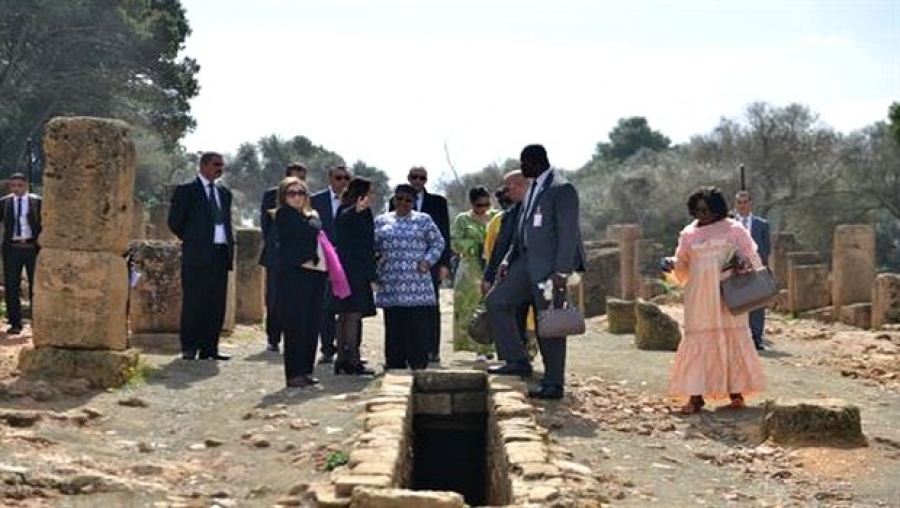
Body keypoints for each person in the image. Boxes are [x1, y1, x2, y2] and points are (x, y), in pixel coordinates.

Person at [485, 145, 585, 400]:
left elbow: (568, 233)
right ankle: (516, 360)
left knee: (550, 323)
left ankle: (553, 384)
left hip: (550, 269)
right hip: (524, 263)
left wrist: (562, 271)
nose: (522, 167)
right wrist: (508, 259)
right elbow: (523, 229)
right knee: (496, 301)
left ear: (535, 162)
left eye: (524, 163)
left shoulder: (562, 188)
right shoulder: (533, 188)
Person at [662, 186, 767, 414]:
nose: (702, 214)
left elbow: (752, 257)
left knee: (732, 337)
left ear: (717, 209)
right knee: (699, 338)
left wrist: (742, 263)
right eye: (698, 210)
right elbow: (682, 265)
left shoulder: (734, 229)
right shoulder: (688, 234)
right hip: (699, 296)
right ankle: (695, 396)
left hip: (730, 293)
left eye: (706, 210)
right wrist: (671, 264)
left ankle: (736, 392)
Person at [168, 152, 235, 361]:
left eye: (222, 165)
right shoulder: (187, 190)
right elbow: (175, 222)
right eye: (216, 164)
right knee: (194, 301)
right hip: (197, 254)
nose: (220, 169)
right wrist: (194, 238)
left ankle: (210, 348)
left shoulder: (224, 193)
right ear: (203, 166)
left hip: (220, 253)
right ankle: (189, 346)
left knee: (216, 303)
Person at [374, 184, 446, 371]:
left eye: (408, 200)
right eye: (400, 199)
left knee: (417, 327)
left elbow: (438, 242)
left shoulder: (423, 220)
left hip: (417, 283)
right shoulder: (381, 221)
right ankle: (395, 364)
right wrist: (376, 264)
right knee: (394, 326)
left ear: (414, 202)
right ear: (394, 199)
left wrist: (428, 261)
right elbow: (373, 246)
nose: (403, 203)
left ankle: (418, 364)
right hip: (391, 281)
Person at [393, 166, 451, 364]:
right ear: (409, 178)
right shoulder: (396, 200)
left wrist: (444, 264)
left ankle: (431, 349)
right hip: (400, 265)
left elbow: (444, 233)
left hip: (429, 264)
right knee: (404, 309)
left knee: (430, 307)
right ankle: (405, 350)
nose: (418, 181)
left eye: (422, 178)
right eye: (414, 177)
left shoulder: (438, 202)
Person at [274, 177, 327, 387]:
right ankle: (294, 373)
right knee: (295, 325)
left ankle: (306, 370)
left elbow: (316, 227)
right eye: (292, 193)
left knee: (312, 323)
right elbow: (309, 230)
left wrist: (312, 218)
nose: (297, 197)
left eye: (301, 193)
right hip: (293, 276)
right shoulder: (284, 214)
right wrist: (312, 218)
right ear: (284, 196)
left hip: (315, 275)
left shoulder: (309, 215)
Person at [482, 171, 533, 357]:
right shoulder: (509, 215)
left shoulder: (541, 208)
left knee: (542, 322)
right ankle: (514, 360)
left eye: (508, 189)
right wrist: (489, 276)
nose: (506, 193)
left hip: (538, 274)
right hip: (511, 276)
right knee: (512, 316)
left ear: (520, 185)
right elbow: (499, 248)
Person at [258, 162, 307, 353]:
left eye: (302, 178)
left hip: (301, 258)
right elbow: (266, 226)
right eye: (295, 177)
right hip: (277, 257)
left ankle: (294, 338)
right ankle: (273, 338)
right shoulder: (271, 196)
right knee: (275, 299)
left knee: (298, 300)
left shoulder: (306, 198)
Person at [330, 177, 376, 376]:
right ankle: (352, 360)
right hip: (353, 270)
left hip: (348, 269)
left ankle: (342, 358)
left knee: (345, 315)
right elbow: (345, 221)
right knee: (352, 315)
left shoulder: (352, 209)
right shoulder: (349, 210)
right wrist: (357, 210)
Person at [451, 186, 498, 359]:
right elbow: (455, 243)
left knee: (492, 306)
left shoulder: (496, 217)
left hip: (493, 267)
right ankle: (477, 348)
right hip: (470, 270)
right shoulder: (462, 220)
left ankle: (491, 346)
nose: (483, 208)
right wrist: (475, 246)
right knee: (470, 309)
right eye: (479, 205)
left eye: (486, 204)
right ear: (472, 204)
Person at [310, 164, 351, 364]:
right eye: (338, 178)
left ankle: (349, 348)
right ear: (330, 178)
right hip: (323, 257)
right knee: (324, 304)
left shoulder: (354, 201)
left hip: (346, 259)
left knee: (348, 305)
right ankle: (327, 348)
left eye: (346, 178)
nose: (342, 182)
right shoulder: (315, 200)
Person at [0, 173, 42, 335]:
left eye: (19, 185)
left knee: (36, 286)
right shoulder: (5, 203)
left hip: (32, 248)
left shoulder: (37, 202)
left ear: (26, 185)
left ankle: (37, 322)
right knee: (12, 286)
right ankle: (15, 323)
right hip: (12, 248)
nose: (16, 189)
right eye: (13, 186)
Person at [734, 190, 771, 351]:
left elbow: (766, 248)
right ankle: (737, 339)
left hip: (756, 269)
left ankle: (757, 339)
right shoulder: (729, 224)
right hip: (734, 270)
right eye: (739, 202)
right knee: (736, 303)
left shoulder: (762, 224)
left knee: (757, 304)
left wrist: (761, 267)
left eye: (745, 202)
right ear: (736, 205)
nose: (742, 205)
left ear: (750, 203)